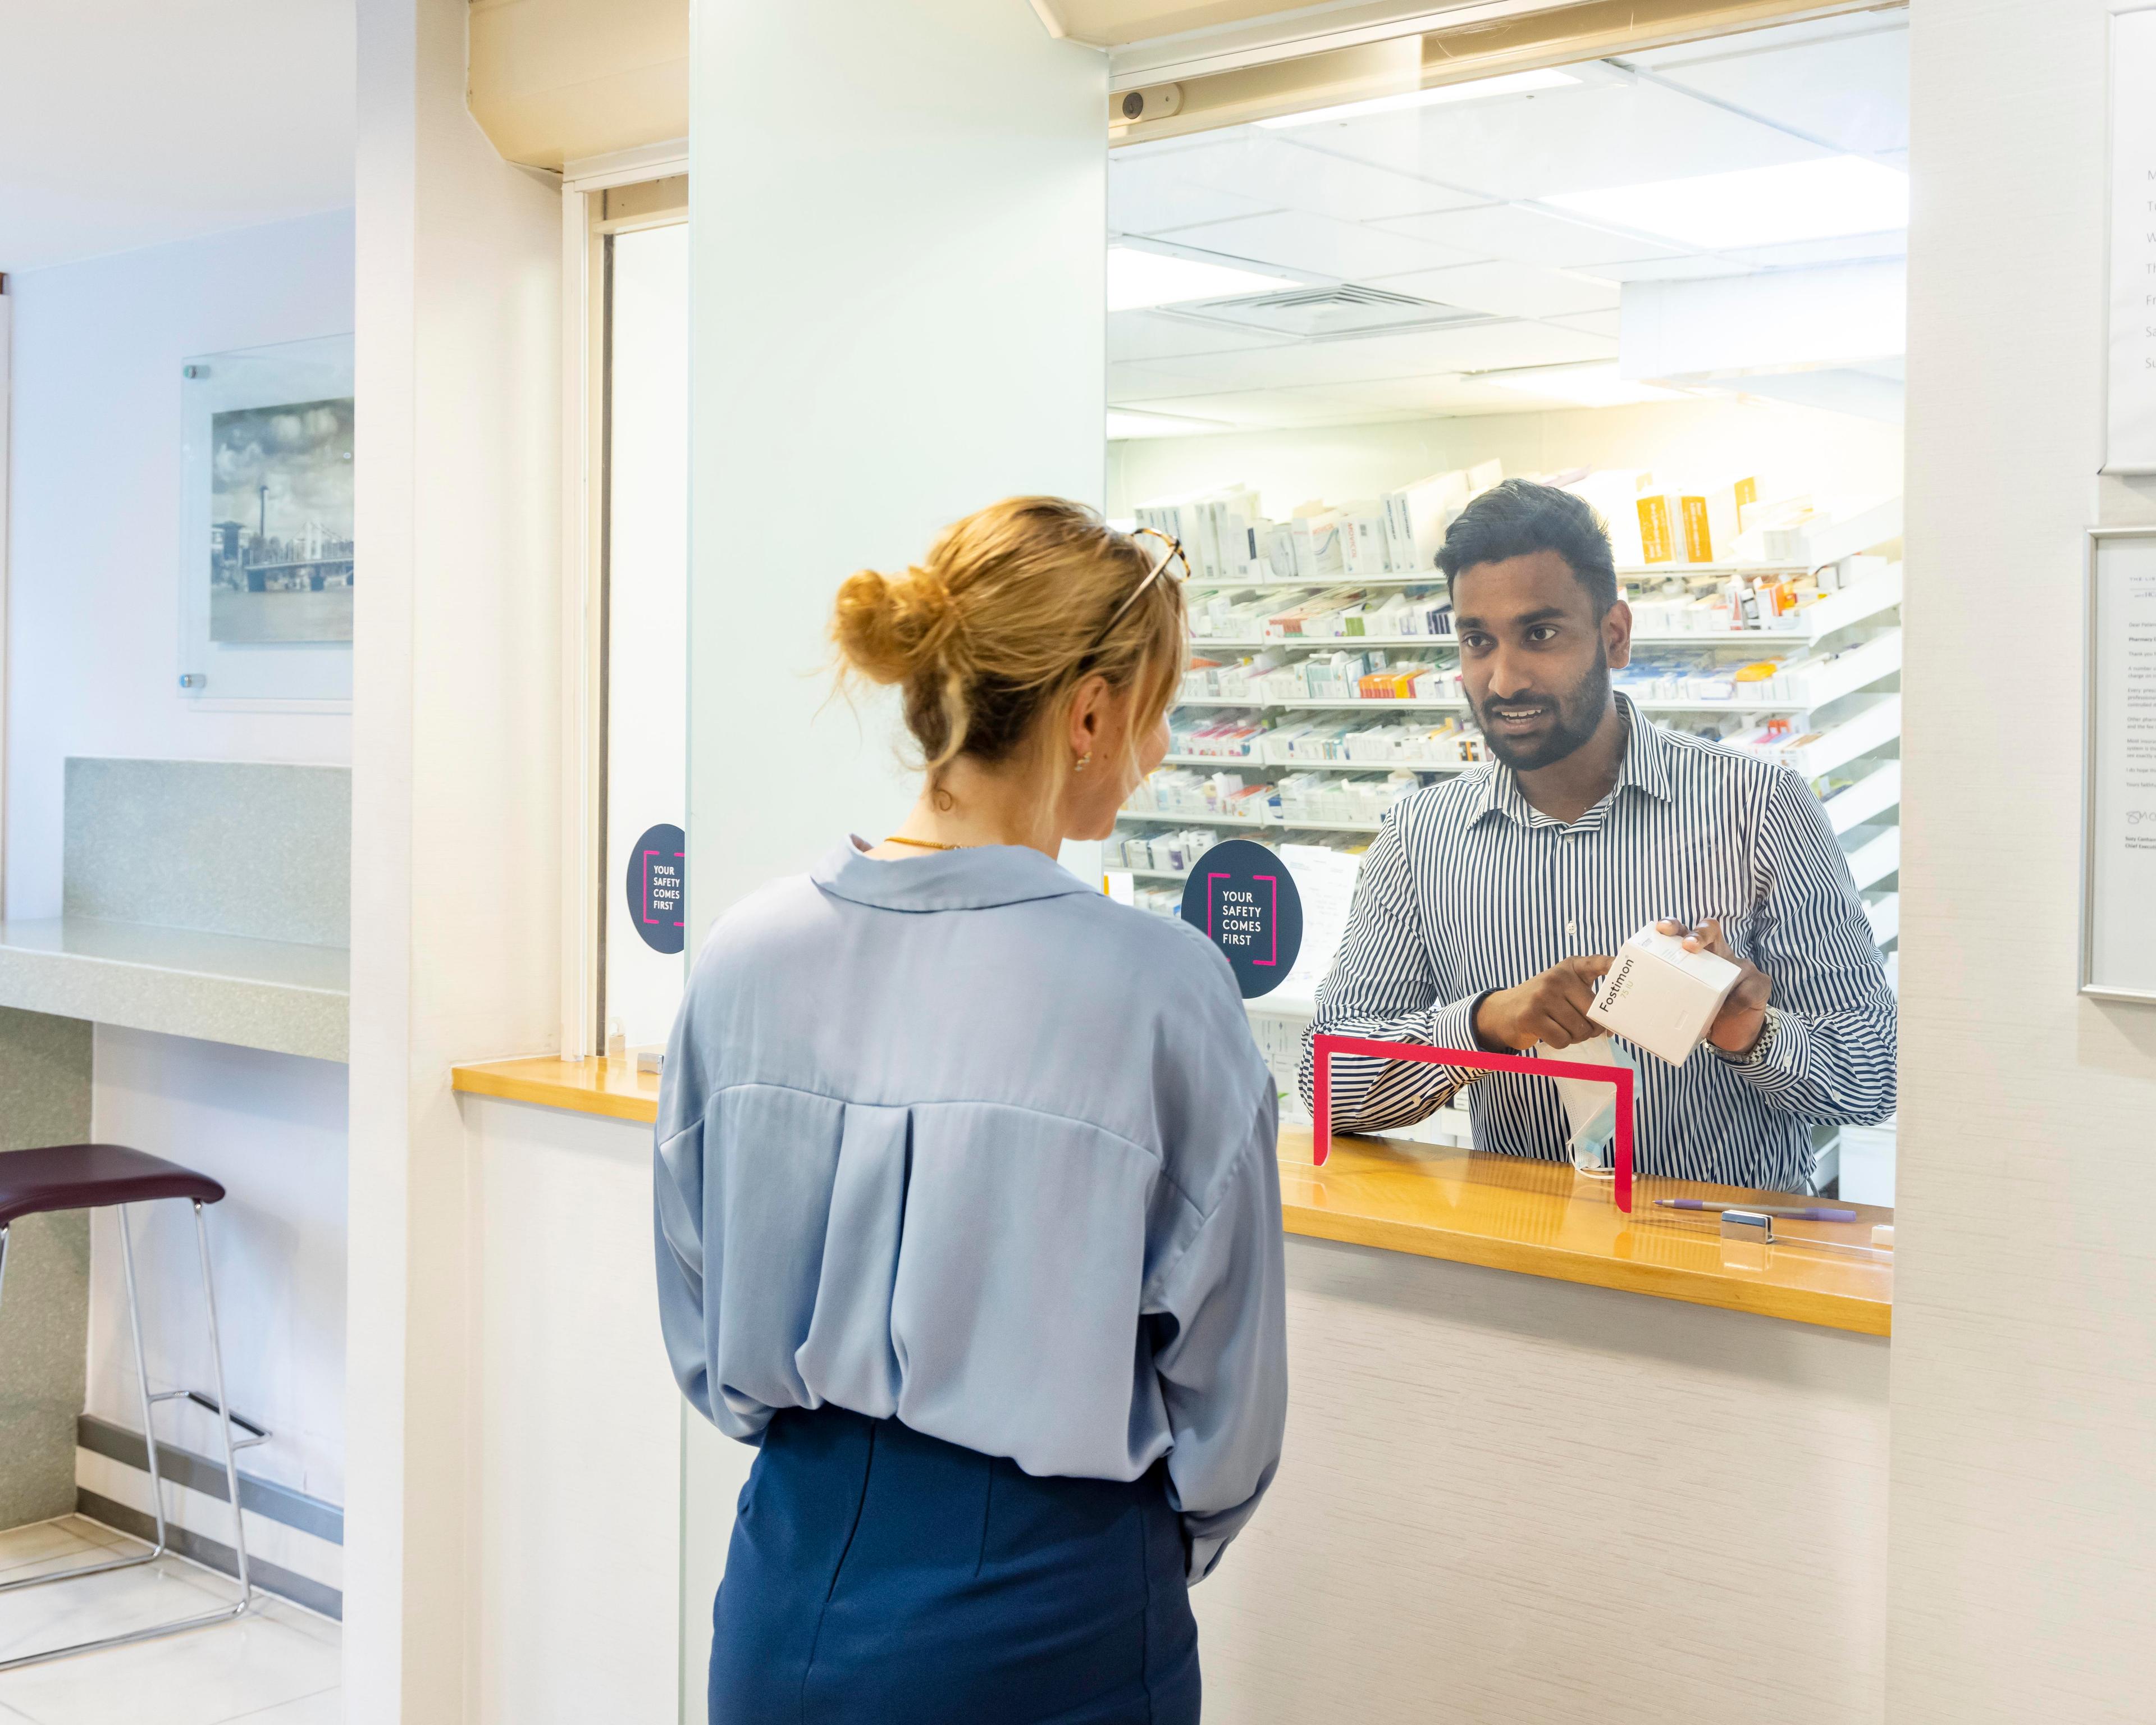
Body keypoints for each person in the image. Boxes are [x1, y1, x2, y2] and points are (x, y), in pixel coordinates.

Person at [654, 497, 1287, 1725]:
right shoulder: (1158, 990)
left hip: (788, 1579)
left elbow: (698, 1310)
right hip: (1056, 1603)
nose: (1154, 748)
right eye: (1153, 712)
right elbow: (1226, 1395)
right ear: (1091, 713)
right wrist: (1152, 1559)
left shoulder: (744, 953)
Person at [1301, 478, 1895, 1193]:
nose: (1504, 679)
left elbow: (1874, 1077)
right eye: (1477, 641)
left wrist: (1753, 1034)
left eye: (1540, 634)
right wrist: (1487, 1024)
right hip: (1523, 1259)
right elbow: (1327, 1082)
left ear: (1614, 636)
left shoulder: (1759, 808)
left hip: (1723, 1269)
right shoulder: (1420, 838)